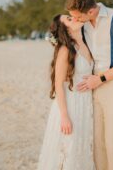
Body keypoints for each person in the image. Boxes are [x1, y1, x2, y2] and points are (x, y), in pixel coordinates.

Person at [65, 0, 113, 170]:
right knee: (98, 142)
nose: (76, 20)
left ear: (90, 11)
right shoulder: (85, 23)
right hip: (93, 85)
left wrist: (101, 78)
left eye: (78, 17)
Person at [37, 14, 96, 170]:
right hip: (70, 106)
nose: (74, 18)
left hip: (84, 104)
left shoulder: (85, 43)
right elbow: (58, 84)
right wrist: (64, 117)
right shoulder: (65, 50)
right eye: (69, 19)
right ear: (66, 30)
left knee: (79, 148)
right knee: (66, 149)